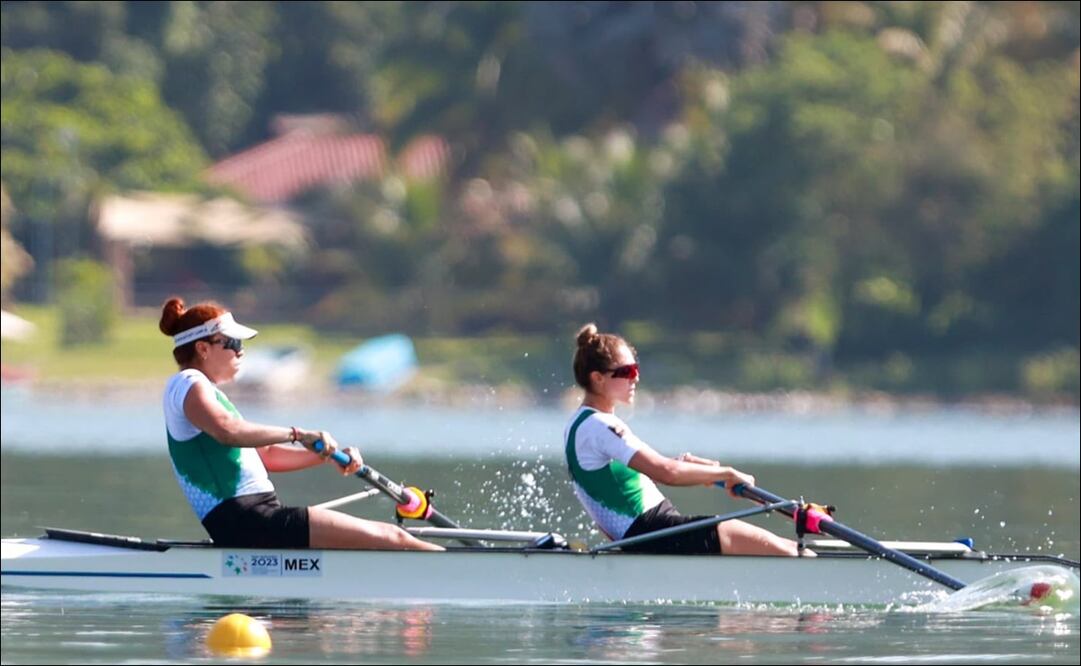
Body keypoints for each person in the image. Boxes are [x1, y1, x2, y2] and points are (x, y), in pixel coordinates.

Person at [159, 297, 441, 551]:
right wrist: (297, 434)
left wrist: (326, 456)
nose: (241, 351)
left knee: (390, 539)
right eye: (233, 343)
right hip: (248, 519)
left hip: (254, 519)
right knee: (395, 538)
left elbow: (268, 455)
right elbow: (228, 431)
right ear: (203, 348)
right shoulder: (188, 383)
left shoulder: (209, 394)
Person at [566, 323, 806, 556]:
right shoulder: (600, 425)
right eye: (626, 372)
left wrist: (691, 468)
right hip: (653, 532)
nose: (635, 378)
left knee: (788, 547)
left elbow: (620, 482)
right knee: (789, 551)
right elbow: (667, 472)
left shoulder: (580, 423)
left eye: (636, 369)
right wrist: (726, 474)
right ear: (598, 378)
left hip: (651, 533)